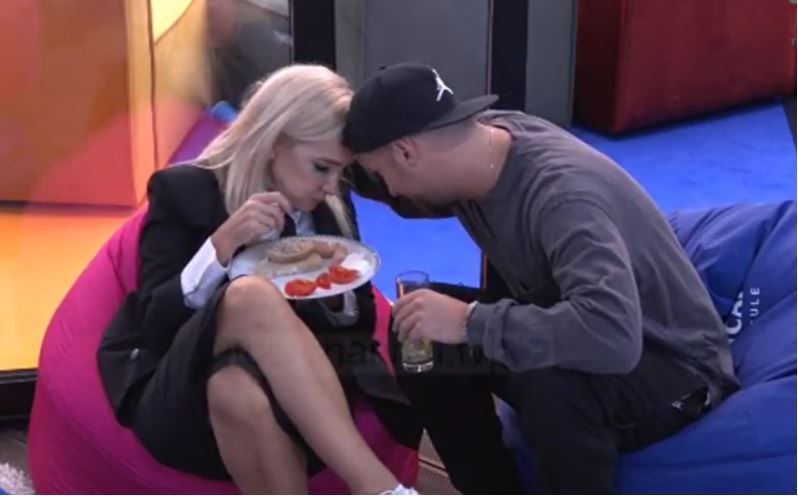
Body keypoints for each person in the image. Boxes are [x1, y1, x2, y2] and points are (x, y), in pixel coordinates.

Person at [343, 62, 740, 494]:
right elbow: (397, 181)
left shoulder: (563, 199)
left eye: (383, 175)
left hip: (668, 365)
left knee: (552, 381)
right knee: (416, 326)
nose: (390, 191)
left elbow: (613, 336)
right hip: (573, 319)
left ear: (407, 153)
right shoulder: (479, 142)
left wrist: (469, 322)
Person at [97, 64, 421, 495]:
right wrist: (219, 248)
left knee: (234, 388)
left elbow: (360, 321)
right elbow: (157, 326)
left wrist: (330, 291)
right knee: (248, 295)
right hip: (183, 386)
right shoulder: (185, 191)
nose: (331, 186)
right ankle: (380, 489)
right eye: (321, 167)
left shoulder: (328, 204)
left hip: (304, 392)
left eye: (338, 171)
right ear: (274, 143)